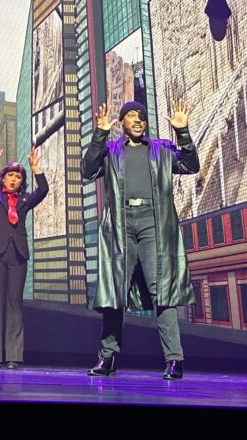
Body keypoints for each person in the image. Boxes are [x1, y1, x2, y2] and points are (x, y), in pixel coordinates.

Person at [81, 99, 198, 380]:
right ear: (122, 122)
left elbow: (191, 165)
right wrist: (99, 134)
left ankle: (174, 359)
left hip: (152, 223)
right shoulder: (110, 151)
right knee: (115, 291)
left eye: (141, 117)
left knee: (162, 290)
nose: (137, 120)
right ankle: (107, 357)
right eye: (131, 115)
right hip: (121, 224)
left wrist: (183, 132)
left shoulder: (161, 149)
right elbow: (87, 170)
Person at [0, 145, 48, 370]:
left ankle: (13, 356)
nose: (14, 179)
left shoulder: (25, 199)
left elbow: (43, 190)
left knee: (14, 303)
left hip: (17, 254)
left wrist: (35, 168)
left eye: (18, 177)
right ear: (3, 178)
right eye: (10, 175)